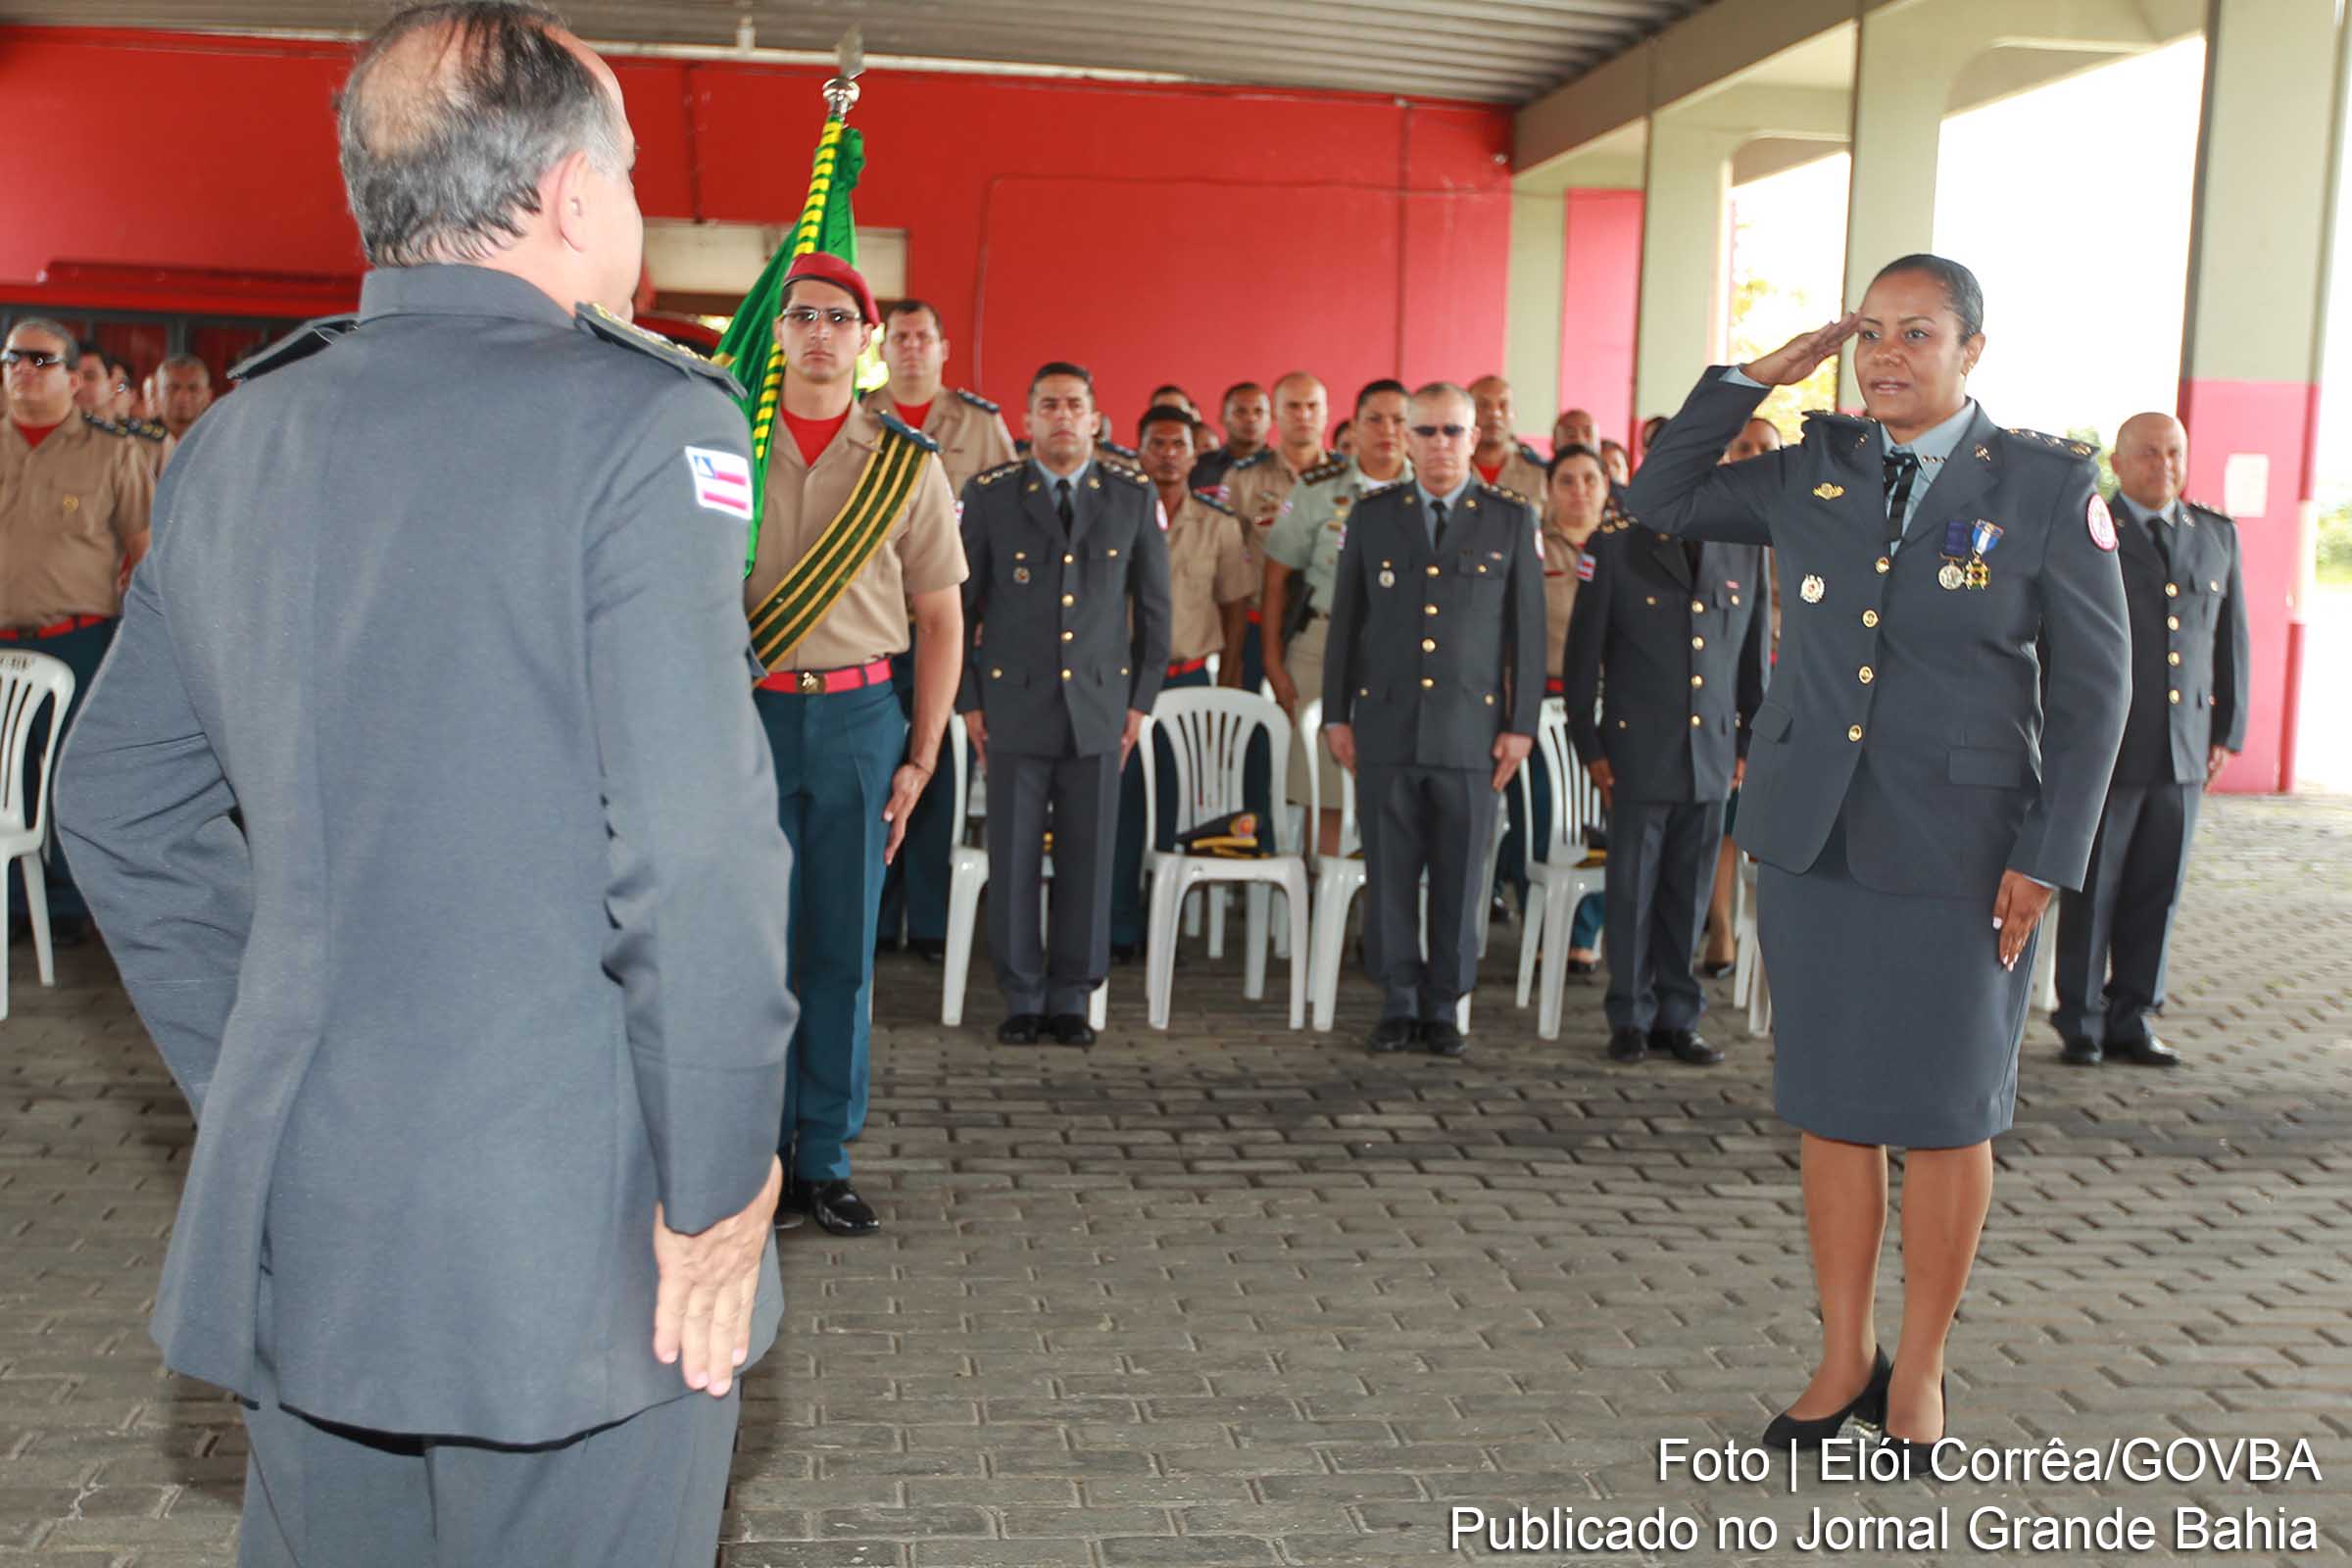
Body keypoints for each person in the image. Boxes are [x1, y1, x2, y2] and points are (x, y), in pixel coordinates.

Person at [55, 6, 796, 1562]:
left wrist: (268, 1060)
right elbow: (697, 857)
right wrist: (721, 1184)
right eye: (637, 172)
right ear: (576, 196)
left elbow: (113, 809)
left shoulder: (239, 437)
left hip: (314, 1221)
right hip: (583, 1248)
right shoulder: (647, 426)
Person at [1625, 254, 2128, 1464]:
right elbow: (1660, 500)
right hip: (1814, 840)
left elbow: (2100, 693)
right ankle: (1844, 1354)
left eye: (1918, 333)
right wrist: (1751, 378)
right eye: (1871, 335)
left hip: (1967, 852)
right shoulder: (1818, 463)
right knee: (1834, 1108)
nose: (1887, 355)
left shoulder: (2050, 486)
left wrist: (2047, 855)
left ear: (1972, 352)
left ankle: (1926, 1367)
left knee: (1951, 1115)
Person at [749, 253, 966, 1237]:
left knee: (839, 948)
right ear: (780, 331)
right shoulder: (726, 446)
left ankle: (822, 1158)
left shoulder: (904, 464)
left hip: (856, 720)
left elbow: (941, 619)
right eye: (803, 316)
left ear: (867, 340)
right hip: (743, 720)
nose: (822, 334)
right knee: (749, 949)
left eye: (842, 318)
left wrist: (920, 754)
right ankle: (746, 1155)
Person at [1320, 381, 1544, 1058]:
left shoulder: (1510, 518)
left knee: (1459, 872)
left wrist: (1521, 723)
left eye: (1452, 431)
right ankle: (1398, 1000)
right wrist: (1336, 714)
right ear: (1405, 440)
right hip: (1386, 724)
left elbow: (1525, 634)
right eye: (1426, 432)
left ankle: (1445, 1003)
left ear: (1476, 439)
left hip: (1471, 731)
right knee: (1390, 870)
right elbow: (1346, 626)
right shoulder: (1372, 515)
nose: (1439, 444)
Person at [958, 362, 1170, 1045]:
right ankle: (1022, 995)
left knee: (1090, 854)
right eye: (1047, 405)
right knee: (1014, 856)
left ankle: (1073, 996)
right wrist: (967, 700)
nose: (1061, 417)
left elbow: (1157, 614)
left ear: (1095, 418)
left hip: (1101, 709)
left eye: (1074, 405)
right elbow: (958, 610)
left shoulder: (1132, 498)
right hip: (1014, 706)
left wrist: (1140, 702)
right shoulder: (991, 496)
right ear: (1027, 420)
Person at [1562, 454, 1769, 1068]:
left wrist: (1744, 747)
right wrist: (1592, 750)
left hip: (1710, 755)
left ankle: (1679, 1016)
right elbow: (1581, 664)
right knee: (1632, 889)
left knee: (1690, 890)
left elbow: (1752, 661)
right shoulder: (1617, 545)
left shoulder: (1744, 546)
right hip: (1635, 753)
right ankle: (1629, 1013)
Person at [2053, 412, 2247, 1067]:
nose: (2163, 465)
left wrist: (2227, 728)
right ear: (2118, 459)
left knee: (2157, 888)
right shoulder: (2088, 527)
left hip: (2184, 744)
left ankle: (2134, 1015)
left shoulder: (2214, 534)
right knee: (2095, 885)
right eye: (2149, 454)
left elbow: (2229, 641)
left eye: (2174, 453)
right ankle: (2080, 1019)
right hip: (2109, 744)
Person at [864, 297, 1015, 961]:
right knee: (873, 775)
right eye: (900, 337)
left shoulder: (980, 426)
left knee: (936, 776)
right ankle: (873, 915)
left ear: (943, 348)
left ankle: (928, 924)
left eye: (924, 337)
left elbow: (1013, 529)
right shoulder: (858, 415)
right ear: (884, 347)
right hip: (871, 630)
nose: (912, 348)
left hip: (950, 630)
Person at [1, 317, 154, 950]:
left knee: (71, 776)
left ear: (71, 374)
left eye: (40, 361)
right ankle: (7, 902)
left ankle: (67, 903)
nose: (23, 371)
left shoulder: (114, 452)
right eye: (13, 359)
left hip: (79, 641)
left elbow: (143, 551)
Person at [1108, 405, 1253, 956]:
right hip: (1120, 684)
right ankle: (1120, 924)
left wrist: (1233, 675)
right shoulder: (1115, 518)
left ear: (1196, 455)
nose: (1168, 455)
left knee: (1174, 806)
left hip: (1187, 685)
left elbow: (1236, 607)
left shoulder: (1220, 527)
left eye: (1179, 445)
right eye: (1157, 444)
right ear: (1138, 450)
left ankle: (1164, 922)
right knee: (1121, 807)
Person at [1262, 377, 1410, 858]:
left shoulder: (1430, 492)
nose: (1387, 430)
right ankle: (1322, 909)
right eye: (1375, 419)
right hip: (1322, 648)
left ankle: (1378, 916)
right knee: (1322, 793)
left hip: (1404, 655)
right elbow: (1276, 577)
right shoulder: (1317, 490)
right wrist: (1272, 661)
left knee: (1394, 794)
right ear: (1356, 426)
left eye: (1399, 420)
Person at [1503, 444, 1613, 971]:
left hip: (1605, 700)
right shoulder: (1529, 547)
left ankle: (1585, 932)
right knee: (1541, 814)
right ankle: (1543, 923)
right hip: (1542, 697)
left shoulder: (1623, 548)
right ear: (1548, 490)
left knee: (1603, 814)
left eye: (1590, 480)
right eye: (1566, 481)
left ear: (1607, 488)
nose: (1579, 491)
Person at [1700, 416, 1786, 976]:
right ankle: (1720, 927)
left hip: (1801, 696)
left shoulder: (1810, 516)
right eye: (1743, 447)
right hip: (1736, 698)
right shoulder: (1717, 522)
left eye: (1765, 448)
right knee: (1726, 817)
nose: (1753, 455)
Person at [1468, 374, 1546, 502]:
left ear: (1513, 414)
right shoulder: (1452, 471)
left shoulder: (1540, 474)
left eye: (1503, 405)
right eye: (1483, 405)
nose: (1495, 413)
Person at [1190, 379, 1267, 495]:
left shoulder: (1285, 468)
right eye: (1241, 411)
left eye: (1258, 411)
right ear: (1222, 418)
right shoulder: (1198, 468)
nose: (1251, 419)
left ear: (1271, 418)